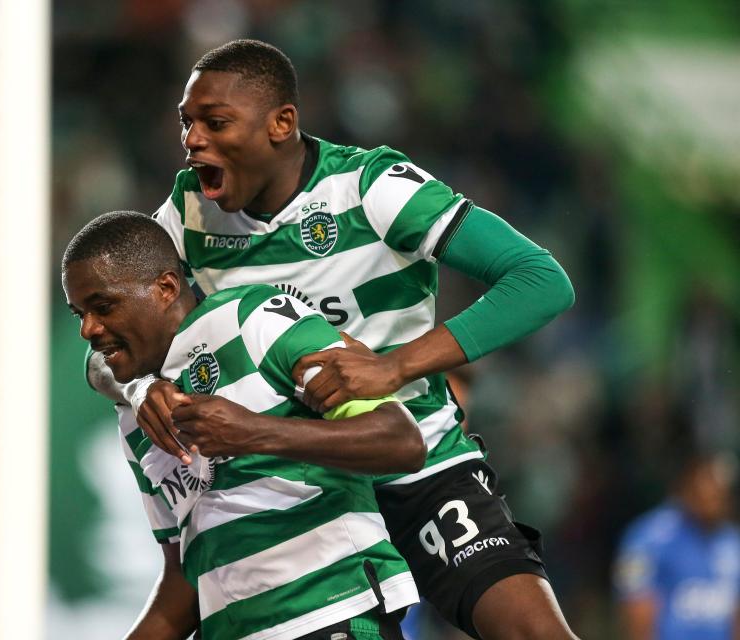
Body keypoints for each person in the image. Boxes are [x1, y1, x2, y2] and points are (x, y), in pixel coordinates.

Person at [88, 39, 578, 639]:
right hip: (300, 487)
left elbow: (540, 280)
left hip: (414, 463)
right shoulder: (187, 216)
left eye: (215, 123)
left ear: (281, 123)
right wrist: (140, 390)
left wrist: (395, 367)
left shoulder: (371, 188)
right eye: (187, 124)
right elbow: (109, 342)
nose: (193, 140)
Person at [64, 211, 429, 640]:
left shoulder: (253, 318)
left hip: (331, 610)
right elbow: (185, 575)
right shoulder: (135, 420)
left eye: (103, 307)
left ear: (166, 287)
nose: (89, 328)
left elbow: (401, 439)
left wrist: (254, 432)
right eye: (79, 314)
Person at [614, 451, 740, 640]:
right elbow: (636, 611)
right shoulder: (647, 537)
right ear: (688, 486)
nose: (714, 497)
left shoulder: (732, 543)